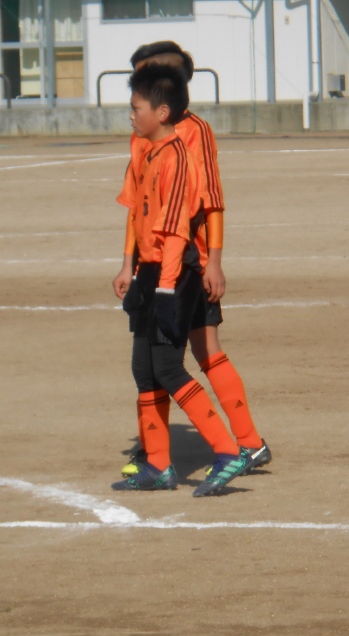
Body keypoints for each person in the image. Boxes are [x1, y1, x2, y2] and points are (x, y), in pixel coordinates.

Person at [114, 41, 271, 480]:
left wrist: (214, 261)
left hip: (188, 260)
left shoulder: (195, 132)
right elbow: (138, 204)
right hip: (153, 262)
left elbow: (212, 199)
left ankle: (246, 442)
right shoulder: (142, 136)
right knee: (153, 359)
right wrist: (129, 263)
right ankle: (156, 453)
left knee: (197, 351)